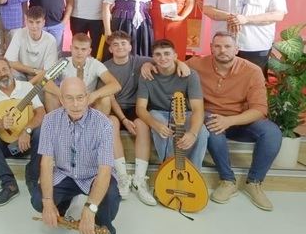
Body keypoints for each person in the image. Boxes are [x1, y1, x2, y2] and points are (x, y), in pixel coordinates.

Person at [187, 32, 281, 210]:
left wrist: (229, 120)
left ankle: (254, 182)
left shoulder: (252, 71)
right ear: (211, 47)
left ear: (237, 49)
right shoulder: (196, 64)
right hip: (212, 118)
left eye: (228, 46)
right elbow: (169, 64)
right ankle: (228, 180)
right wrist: (148, 66)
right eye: (217, 46)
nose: (222, 50)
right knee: (212, 125)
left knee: (272, 132)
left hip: (241, 120)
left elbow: (260, 109)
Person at [31, 77, 121, 234]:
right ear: (62, 100)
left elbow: (104, 171)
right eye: (69, 98)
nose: (76, 104)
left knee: (110, 196)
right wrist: (48, 202)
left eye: (80, 97)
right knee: (38, 200)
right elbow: (47, 163)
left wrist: (90, 208)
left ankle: (104, 232)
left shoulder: (104, 124)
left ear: (87, 97)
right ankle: (62, 204)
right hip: (65, 174)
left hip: (93, 176)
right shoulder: (49, 121)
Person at [102, 31, 193, 205]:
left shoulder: (141, 61)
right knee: (110, 123)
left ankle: (139, 179)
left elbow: (164, 61)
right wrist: (123, 120)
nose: (120, 47)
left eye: (123, 43)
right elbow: (110, 97)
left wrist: (180, 62)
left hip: (137, 107)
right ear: (110, 48)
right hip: (117, 109)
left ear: (130, 46)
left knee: (143, 125)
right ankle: (122, 176)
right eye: (115, 44)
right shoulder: (105, 67)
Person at [0, 58, 45, 206]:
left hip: (26, 142)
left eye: (4, 69)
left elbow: (41, 112)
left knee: (41, 131)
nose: (2, 74)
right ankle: (9, 183)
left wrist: (27, 130)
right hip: (6, 145)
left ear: (11, 70)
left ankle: (33, 177)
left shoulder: (27, 87)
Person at [135, 39, 208, 169]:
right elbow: (140, 108)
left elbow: (198, 109)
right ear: (153, 57)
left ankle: (194, 172)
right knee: (159, 124)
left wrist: (192, 133)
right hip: (159, 112)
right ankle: (169, 168)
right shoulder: (146, 75)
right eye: (158, 54)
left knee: (201, 131)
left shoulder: (190, 75)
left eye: (167, 54)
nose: (163, 58)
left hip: (184, 113)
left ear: (175, 56)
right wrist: (155, 125)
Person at [4, 5, 60, 111]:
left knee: (48, 87)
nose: (34, 26)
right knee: (8, 74)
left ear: (43, 22)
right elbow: (9, 62)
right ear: (26, 21)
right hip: (22, 74)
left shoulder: (50, 40)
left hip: (40, 78)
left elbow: (47, 73)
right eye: (31, 22)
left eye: (38, 22)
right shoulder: (19, 33)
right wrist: (34, 71)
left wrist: (29, 84)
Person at [58, 33, 121, 115]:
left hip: (88, 102)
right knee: (50, 94)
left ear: (89, 51)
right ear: (71, 48)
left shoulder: (94, 64)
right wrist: (60, 94)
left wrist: (95, 95)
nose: (79, 52)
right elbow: (44, 81)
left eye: (83, 49)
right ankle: (56, 125)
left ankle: (98, 127)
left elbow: (116, 85)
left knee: (105, 98)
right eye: (76, 48)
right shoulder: (63, 62)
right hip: (67, 101)